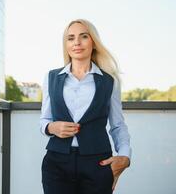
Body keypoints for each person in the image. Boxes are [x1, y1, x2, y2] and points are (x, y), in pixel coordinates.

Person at [40, 19, 132, 194]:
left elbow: (118, 124)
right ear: (65, 44)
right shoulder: (51, 77)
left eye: (83, 36)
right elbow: (44, 120)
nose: (77, 42)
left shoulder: (109, 81)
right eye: (70, 38)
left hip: (97, 163)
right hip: (56, 163)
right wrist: (52, 127)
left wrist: (125, 156)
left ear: (94, 43)